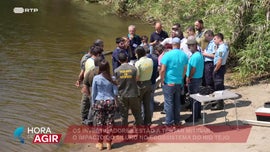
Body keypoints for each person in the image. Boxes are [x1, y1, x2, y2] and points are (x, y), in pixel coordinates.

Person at [160, 37, 188, 125]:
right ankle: (177, 121)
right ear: (179, 45)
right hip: (179, 82)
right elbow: (185, 69)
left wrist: (162, 80)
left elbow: (163, 70)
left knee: (169, 103)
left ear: (172, 44)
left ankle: (169, 122)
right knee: (177, 102)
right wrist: (181, 77)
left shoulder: (167, 55)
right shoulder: (184, 55)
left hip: (169, 82)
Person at [92, 60, 118, 150]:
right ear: (108, 68)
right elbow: (115, 92)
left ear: (100, 68)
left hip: (99, 101)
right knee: (109, 123)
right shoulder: (112, 78)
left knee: (99, 123)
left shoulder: (96, 78)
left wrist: (93, 103)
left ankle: (100, 143)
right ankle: (109, 144)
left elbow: (93, 93)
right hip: (110, 101)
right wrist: (116, 101)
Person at [114, 52, 142, 127]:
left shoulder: (116, 71)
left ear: (119, 61)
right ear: (127, 59)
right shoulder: (133, 68)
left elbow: (116, 82)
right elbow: (137, 79)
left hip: (122, 95)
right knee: (137, 114)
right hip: (134, 94)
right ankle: (140, 132)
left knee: (124, 116)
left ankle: (125, 134)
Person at [185, 37, 204, 123]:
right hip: (198, 78)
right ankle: (198, 115)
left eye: (190, 46)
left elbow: (193, 69)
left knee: (193, 99)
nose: (189, 48)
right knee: (197, 98)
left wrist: (189, 78)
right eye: (188, 46)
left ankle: (194, 117)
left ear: (194, 46)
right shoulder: (199, 55)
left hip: (194, 80)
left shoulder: (195, 56)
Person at [81, 56, 103, 125]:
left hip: (92, 92)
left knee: (92, 107)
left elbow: (85, 86)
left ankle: (89, 122)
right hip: (101, 94)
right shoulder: (104, 73)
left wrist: (89, 95)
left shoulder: (90, 72)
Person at [135, 46, 153, 125]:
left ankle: (139, 122)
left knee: (138, 106)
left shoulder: (138, 63)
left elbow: (137, 77)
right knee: (147, 105)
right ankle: (148, 122)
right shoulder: (150, 60)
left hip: (140, 85)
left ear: (138, 54)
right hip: (148, 83)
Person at [211, 33, 229, 110]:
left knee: (218, 85)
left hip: (219, 68)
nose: (214, 41)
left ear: (219, 39)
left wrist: (215, 70)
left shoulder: (222, 48)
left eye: (215, 39)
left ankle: (220, 104)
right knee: (218, 85)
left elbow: (220, 60)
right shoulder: (223, 47)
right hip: (220, 67)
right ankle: (218, 102)